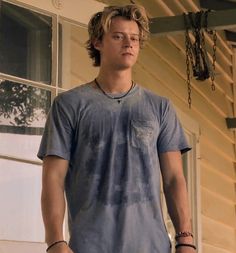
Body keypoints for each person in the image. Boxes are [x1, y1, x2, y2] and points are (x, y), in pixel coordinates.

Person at [38, 4, 196, 253]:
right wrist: (55, 241)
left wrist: (185, 239)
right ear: (97, 42)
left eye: (134, 38)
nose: (129, 44)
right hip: (89, 247)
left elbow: (174, 178)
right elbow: (53, 178)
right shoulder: (69, 105)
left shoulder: (160, 107)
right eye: (118, 36)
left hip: (152, 247)